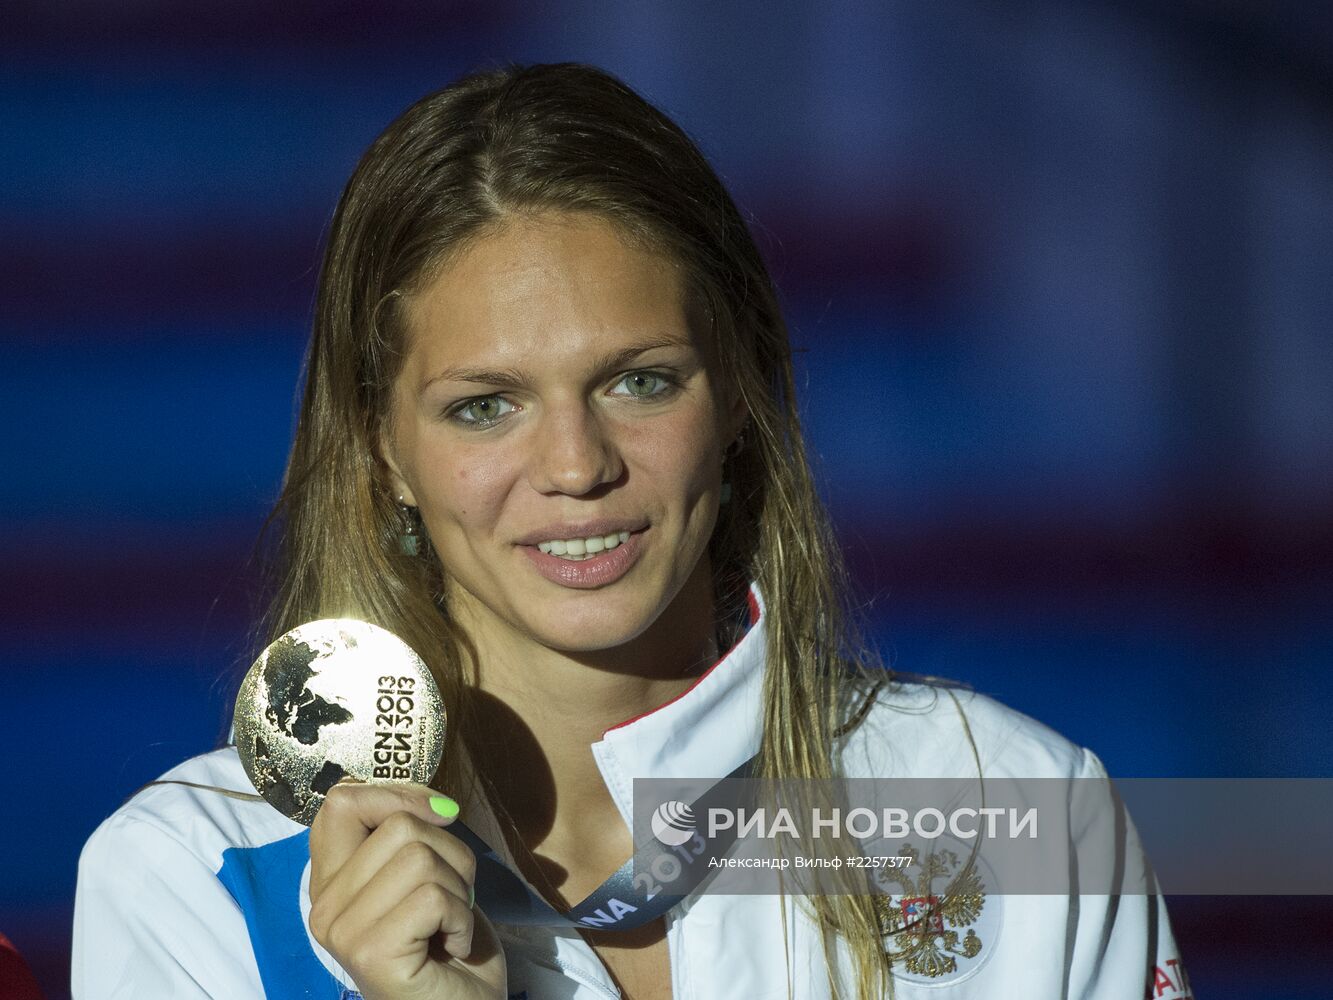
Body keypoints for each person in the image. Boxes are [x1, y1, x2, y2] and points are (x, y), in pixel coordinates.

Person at [73, 63, 1188, 999]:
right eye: (485, 405)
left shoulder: (1015, 807)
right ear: (381, 448)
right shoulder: (195, 877)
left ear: (738, 394)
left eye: (639, 382)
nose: (576, 466)